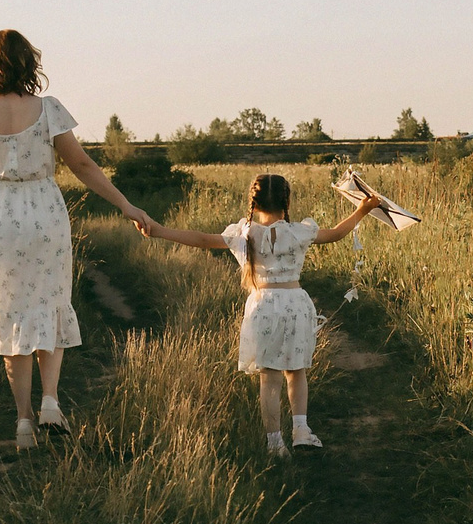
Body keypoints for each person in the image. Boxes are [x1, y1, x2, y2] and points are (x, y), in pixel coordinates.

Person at [0, 31, 147, 448]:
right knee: (48, 304)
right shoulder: (49, 110)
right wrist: (125, 205)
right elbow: (82, 165)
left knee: (10, 315)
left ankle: (24, 424)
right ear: (29, 62)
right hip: (44, 213)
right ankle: (50, 400)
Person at [134, 172, 382, 455]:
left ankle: (275, 444)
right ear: (286, 201)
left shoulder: (244, 234)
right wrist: (362, 209)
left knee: (270, 378)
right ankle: (301, 428)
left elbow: (201, 239)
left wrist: (159, 230)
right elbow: (337, 233)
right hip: (296, 304)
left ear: (252, 201)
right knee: (296, 370)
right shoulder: (298, 232)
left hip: (263, 307)